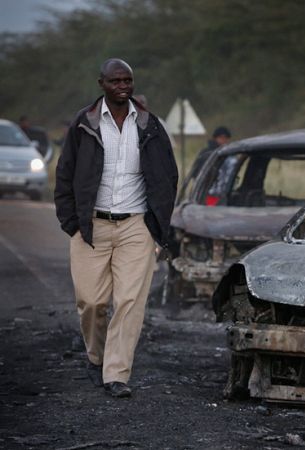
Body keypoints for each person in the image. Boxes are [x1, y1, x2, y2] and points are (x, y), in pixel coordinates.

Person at [54, 58, 178, 398]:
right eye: (115, 81)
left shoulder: (150, 124)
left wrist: (157, 225)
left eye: (128, 80)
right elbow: (65, 174)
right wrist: (71, 222)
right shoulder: (85, 123)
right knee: (91, 302)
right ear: (102, 84)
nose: (122, 85)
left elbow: (168, 176)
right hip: (90, 225)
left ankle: (116, 374)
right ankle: (96, 358)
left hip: (136, 226)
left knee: (129, 301)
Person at [179, 126, 232, 198]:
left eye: (226, 138)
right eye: (221, 138)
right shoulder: (206, 154)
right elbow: (196, 173)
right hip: (206, 193)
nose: (224, 140)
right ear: (215, 138)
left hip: (222, 193)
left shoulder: (229, 155)